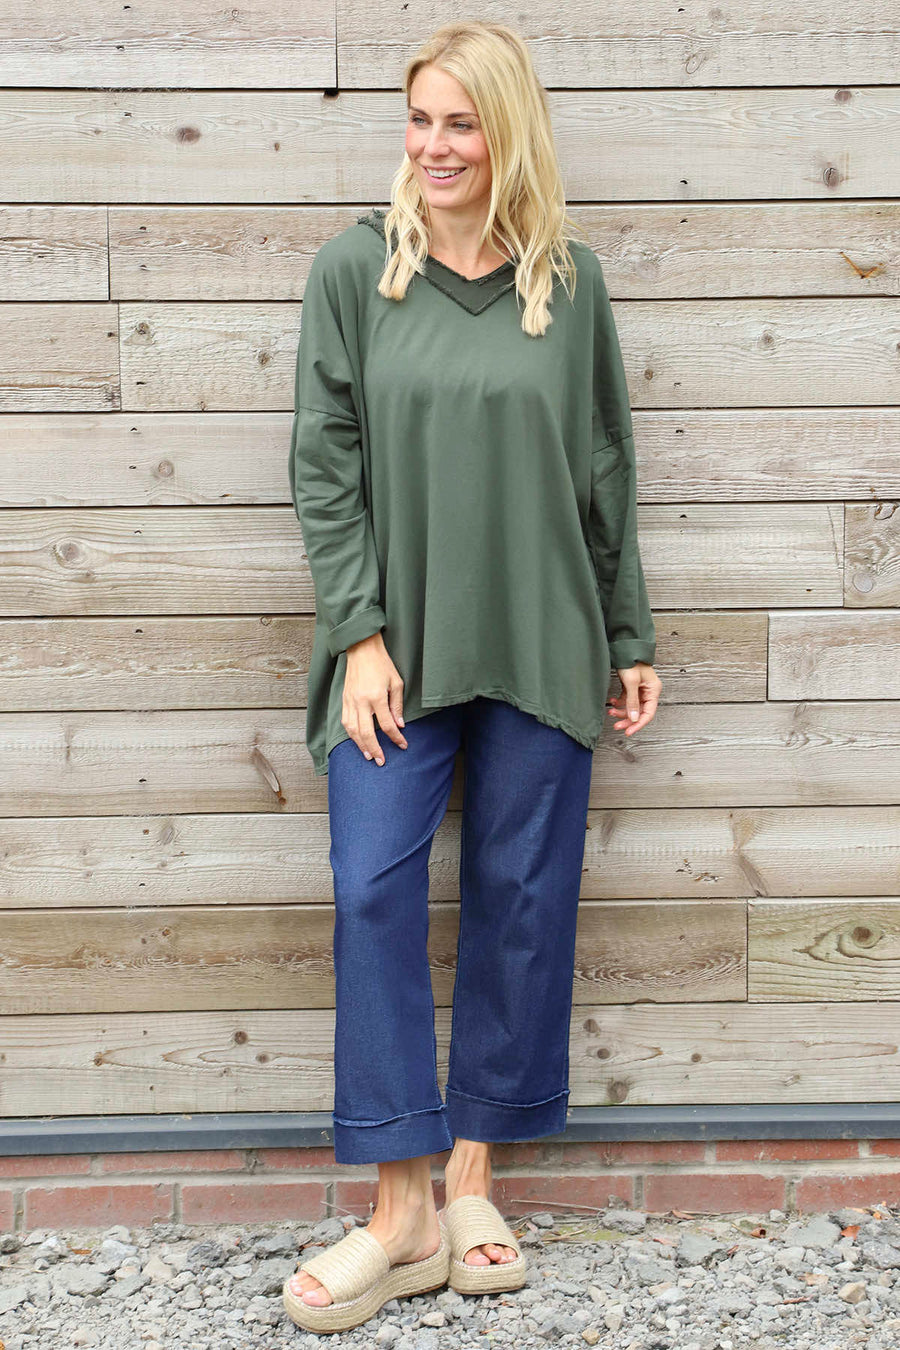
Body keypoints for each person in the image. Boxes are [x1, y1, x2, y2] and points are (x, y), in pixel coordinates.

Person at [282, 19, 662, 1334]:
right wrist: (360, 634)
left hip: (545, 638)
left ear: (509, 134)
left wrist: (627, 632)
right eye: (421, 119)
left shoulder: (570, 281)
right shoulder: (356, 271)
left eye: (462, 122)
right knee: (373, 889)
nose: (436, 146)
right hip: (395, 648)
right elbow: (324, 460)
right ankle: (399, 1211)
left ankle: (471, 1183)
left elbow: (605, 463)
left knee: (521, 898)